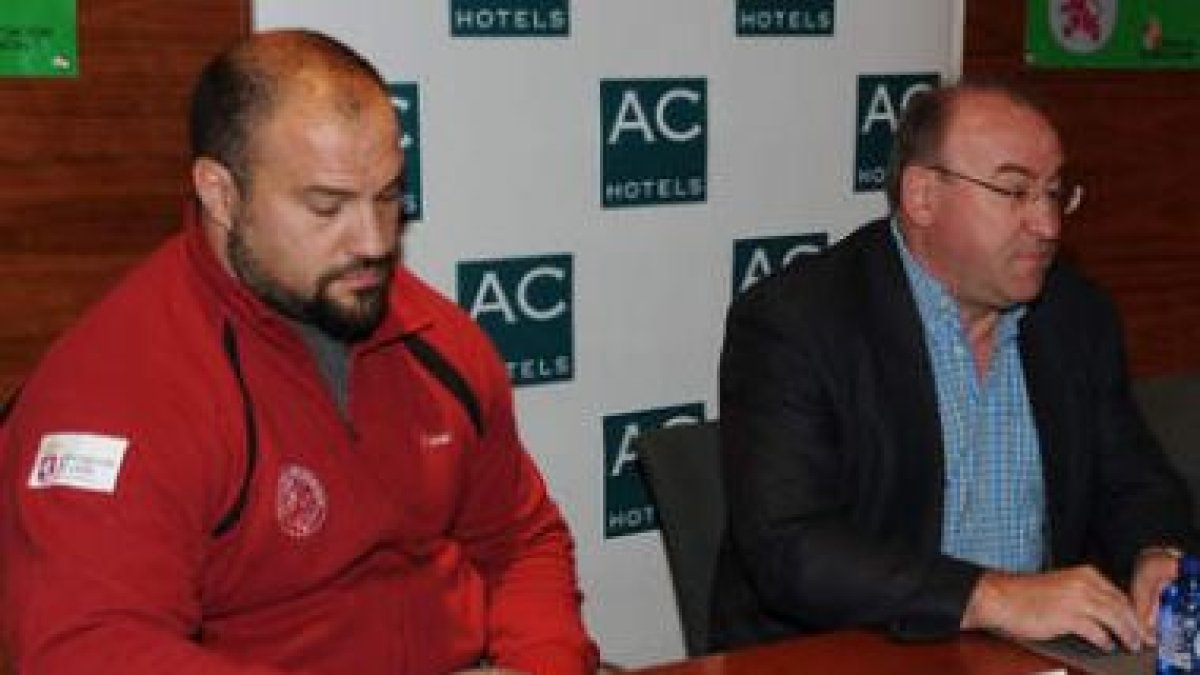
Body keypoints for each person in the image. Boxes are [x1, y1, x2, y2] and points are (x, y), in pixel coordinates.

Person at [0, 29, 597, 675]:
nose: (373, 241)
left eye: (390, 196)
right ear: (221, 194)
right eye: (327, 206)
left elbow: (518, 540)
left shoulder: (435, 338)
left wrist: (540, 664)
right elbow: (89, 648)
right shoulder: (120, 385)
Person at [712, 82, 1198, 654]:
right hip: (853, 652)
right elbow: (791, 547)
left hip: (1033, 657)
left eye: (1054, 194)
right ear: (922, 196)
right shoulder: (798, 322)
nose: (1047, 225)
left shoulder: (1075, 312)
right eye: (1015, 192)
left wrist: (1156, 553)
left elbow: (1134, 478)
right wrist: (993, 596)